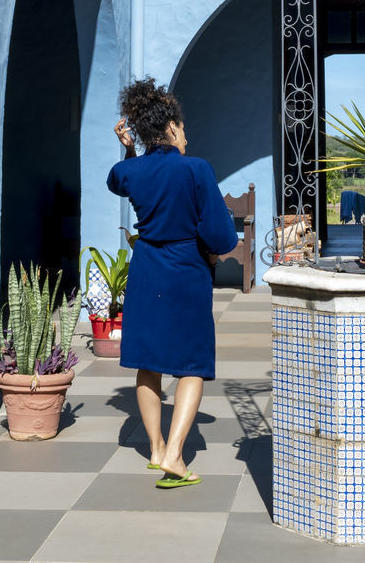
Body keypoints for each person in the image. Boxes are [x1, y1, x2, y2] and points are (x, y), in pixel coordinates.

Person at [107, 77, 239, 488]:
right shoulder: (196, 168)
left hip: (146, 267)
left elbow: (119, 178)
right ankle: (176, 456)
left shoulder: (132, 170)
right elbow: (220, 236)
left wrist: (131, 148)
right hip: (185, 270)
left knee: (149, 362)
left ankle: (156, 447)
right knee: (191, 364)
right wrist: (215, 251)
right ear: (171, 127)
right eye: (182, 126)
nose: (186, 132)